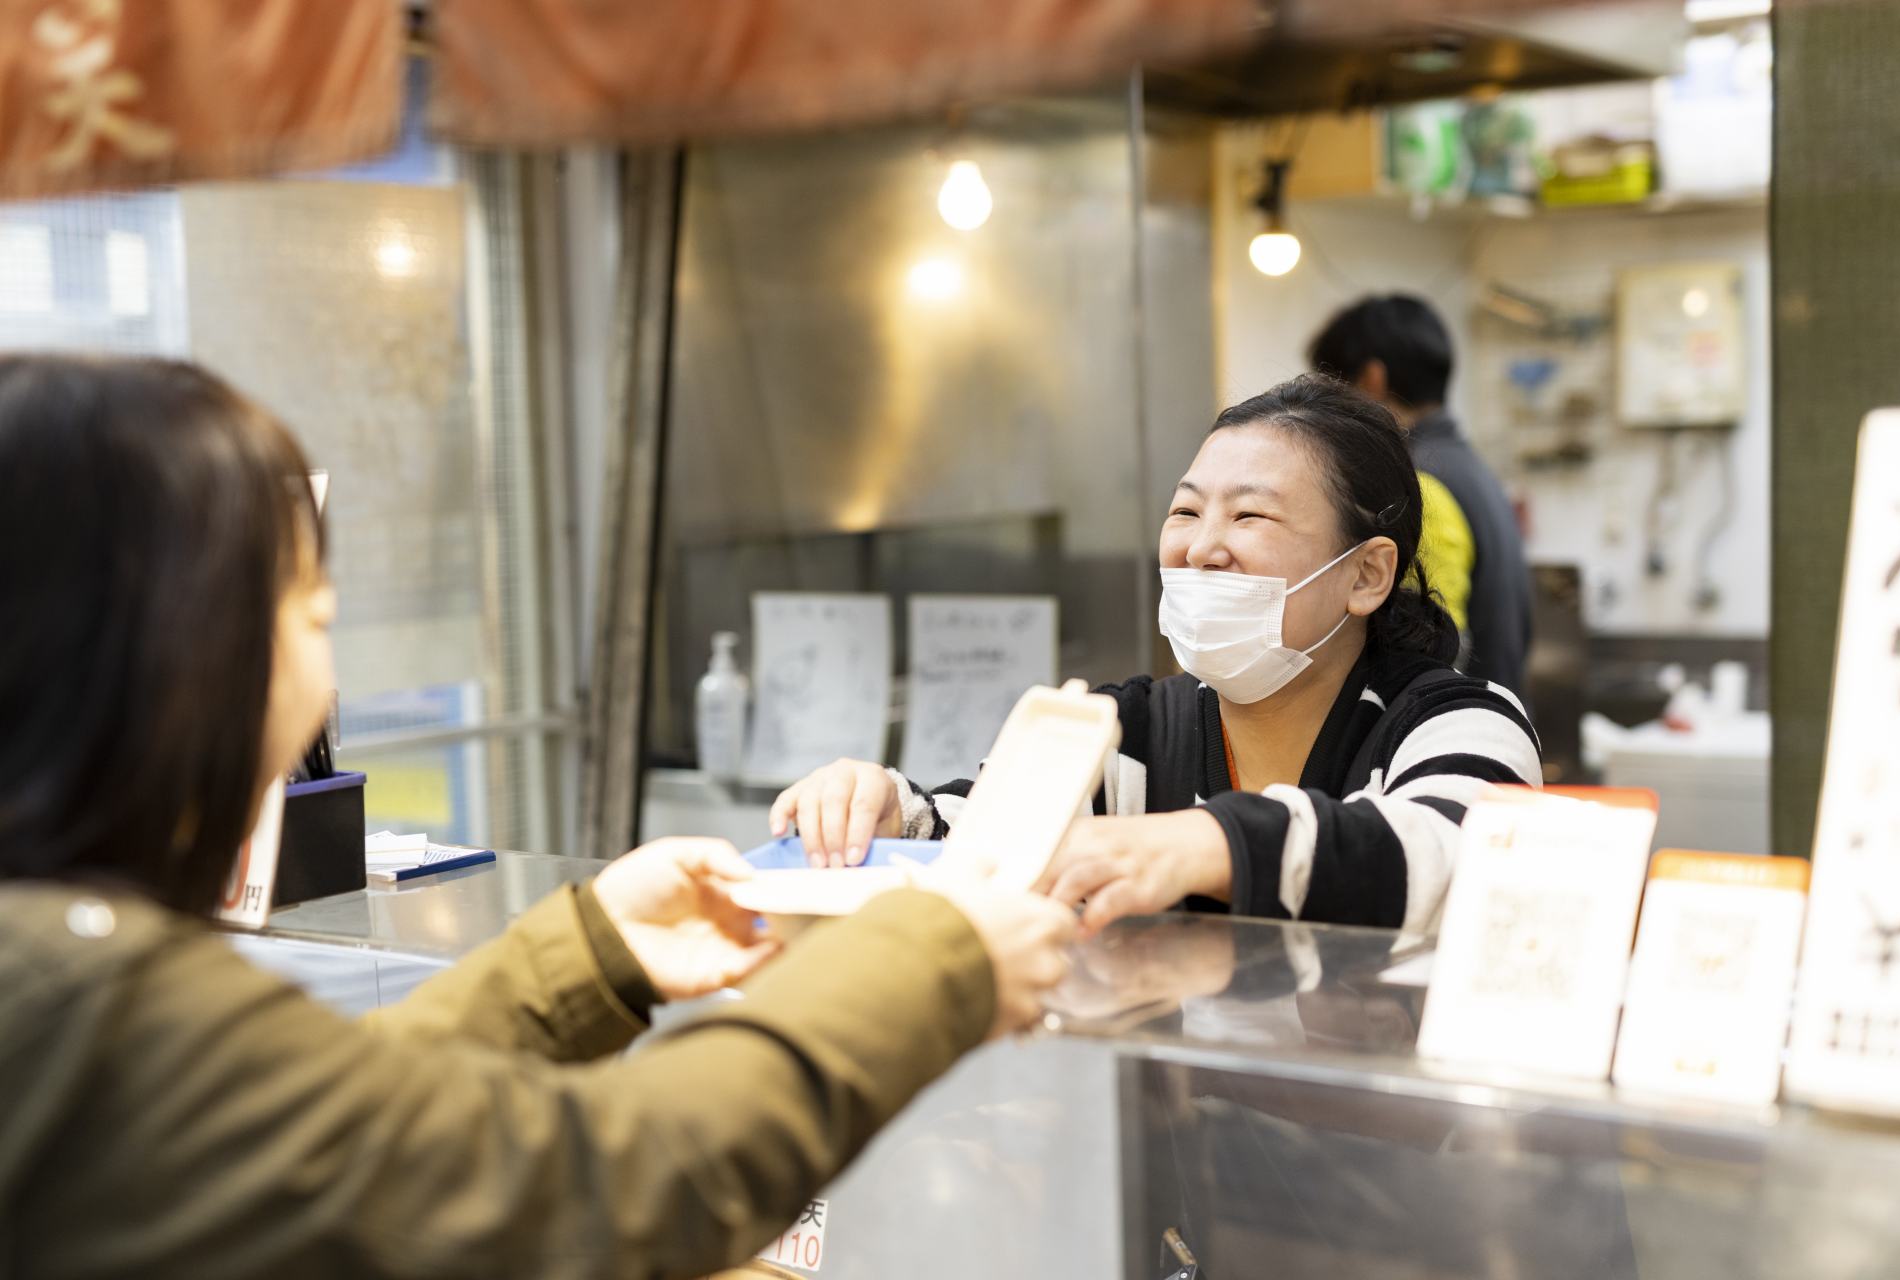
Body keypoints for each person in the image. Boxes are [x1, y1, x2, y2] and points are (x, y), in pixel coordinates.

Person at [0, 355, 1077, 1278]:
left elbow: (339, 1128)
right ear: (166, 658)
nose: (321, 681)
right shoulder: (87, 998)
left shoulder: (59, 970)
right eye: (312, 616)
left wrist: (586, 955)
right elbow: (602, 1179)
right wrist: (929, 953)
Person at [771, 375, 1542, 935]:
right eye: (1185, 511)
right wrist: (888, 809)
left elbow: (1455, 858)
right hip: (1168, 1144)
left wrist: (1212, 842)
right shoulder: (1124, 731)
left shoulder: (1460, 722)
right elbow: (980, 837)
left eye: (1249, 515)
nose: (1204, 547)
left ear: (1366, 573)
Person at [1308, 293, 1534, 699]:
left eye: (1333, 389)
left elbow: (1433, 657)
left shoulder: (1420, 485)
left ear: (1371, 379)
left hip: (1454, 740)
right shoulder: (1469, 468)